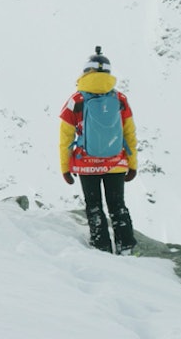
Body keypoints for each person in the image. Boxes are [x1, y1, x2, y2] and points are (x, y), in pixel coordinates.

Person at [58, 47, 138, 254]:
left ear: (86, 72)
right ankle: (126, 247)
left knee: (94, 206)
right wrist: (132, 164)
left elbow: (65, 138)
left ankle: (101, 247)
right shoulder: (120, 99)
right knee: (117, 205)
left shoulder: (75, 101)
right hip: (116, 163)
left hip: (86, 164)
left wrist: (65, 167)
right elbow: (129, 134)